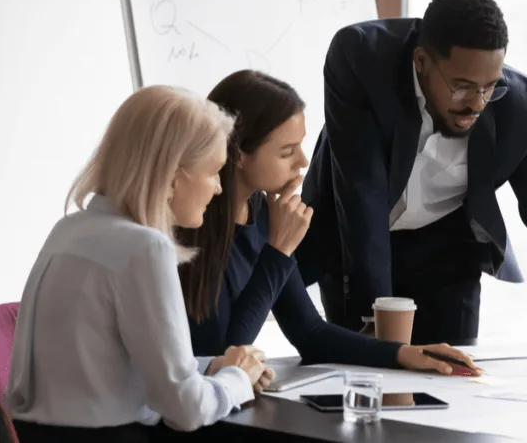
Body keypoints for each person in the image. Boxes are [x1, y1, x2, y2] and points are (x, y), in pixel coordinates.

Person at [299, 0, 527, 359]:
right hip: (356, 243)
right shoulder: (361, 58)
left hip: (447, 252)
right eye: (462, 87)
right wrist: (379, 325)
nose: (477, 104)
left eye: (490, 87)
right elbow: (361, 195)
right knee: (363, 376)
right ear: (421, 62)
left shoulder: (524, 105)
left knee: (453, 379)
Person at [6, 86, 268, 442]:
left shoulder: (68, 230)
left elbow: (118, 370)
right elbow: (185, 409)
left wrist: (215, 366)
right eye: (213, 172)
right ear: (174, 175)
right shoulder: (145, 248)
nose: (219, 189)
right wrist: (238, 380)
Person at [177, 70, 480, 375]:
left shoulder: (265, 212)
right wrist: (279, 251)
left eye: (300, 146)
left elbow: (309, 333)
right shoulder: (191, 224)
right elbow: (222, 358)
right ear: (238, 153)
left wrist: (404, 354)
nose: (303, 162)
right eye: (287, 152)